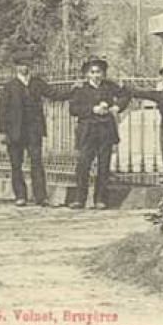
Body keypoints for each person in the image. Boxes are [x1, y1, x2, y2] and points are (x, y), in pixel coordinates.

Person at [0, 53, 74, 207]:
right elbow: (2, 110)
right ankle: (20, 196)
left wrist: (72, 91)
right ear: (16, 67)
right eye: (20, 65)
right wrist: (3, 131)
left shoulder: (37, 83)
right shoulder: (9, 87)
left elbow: (54, 94)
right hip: (15, 132)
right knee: (16, 164)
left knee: (37, 163)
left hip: (34, 130)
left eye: (26, 64)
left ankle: (41, 197)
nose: (23, 67)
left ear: (30, 66)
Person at [68, 57, 131, 210]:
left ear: (103, 74)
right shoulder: (80, 89)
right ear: (87, 74)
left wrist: (116, 107)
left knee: (104, 165)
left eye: (99, 72)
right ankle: (79, 199)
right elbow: (73, 109)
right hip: (88, 131)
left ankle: (100, 199)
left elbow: (125, 95)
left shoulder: (109, 87)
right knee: (83, 164)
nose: (96, 75)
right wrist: (92, 109)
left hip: (105, 130)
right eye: (93, 72)